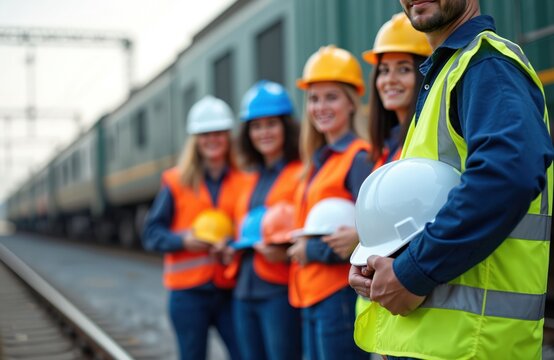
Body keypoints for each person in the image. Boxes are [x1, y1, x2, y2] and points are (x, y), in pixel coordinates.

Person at [349, 1, 554, 359]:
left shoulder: (486, 66)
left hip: (473, 346)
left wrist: (413, 272)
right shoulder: (447, 75)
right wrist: (374, 265)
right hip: (441, 342)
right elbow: (421, 209)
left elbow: (507, 177)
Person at [142, 95, 242, 360]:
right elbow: (151, 233)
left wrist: (231, 244)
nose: (213, 139)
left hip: (228, 290)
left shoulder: (243, 178)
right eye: (205, 133)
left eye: (219, 132)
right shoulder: (175, 181)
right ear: (195, 139)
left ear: (228, 136)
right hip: (187, 294)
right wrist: (182, 241)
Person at [287, 45, 371, 360]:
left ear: (351, 103)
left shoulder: (358, 157)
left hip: (337, 296)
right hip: (310, 295)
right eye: (314, 98)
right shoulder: (316, 162)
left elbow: (370, 236)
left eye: (331, 97)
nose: (320, 106)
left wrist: (312, 250)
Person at [227, 80, 302, 360]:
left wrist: (285, 252)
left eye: (271, 124)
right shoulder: (248, 178)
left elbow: (305, 229)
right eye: (256, 126)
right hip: (243, 293)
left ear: (286, 126)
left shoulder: (301, 173)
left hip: (278, 292)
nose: (264, 133)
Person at [364, 12, 432, 167]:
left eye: (404, 70)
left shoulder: (428, 143)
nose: (390, 80)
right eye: (384, 70)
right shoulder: (386, 148)